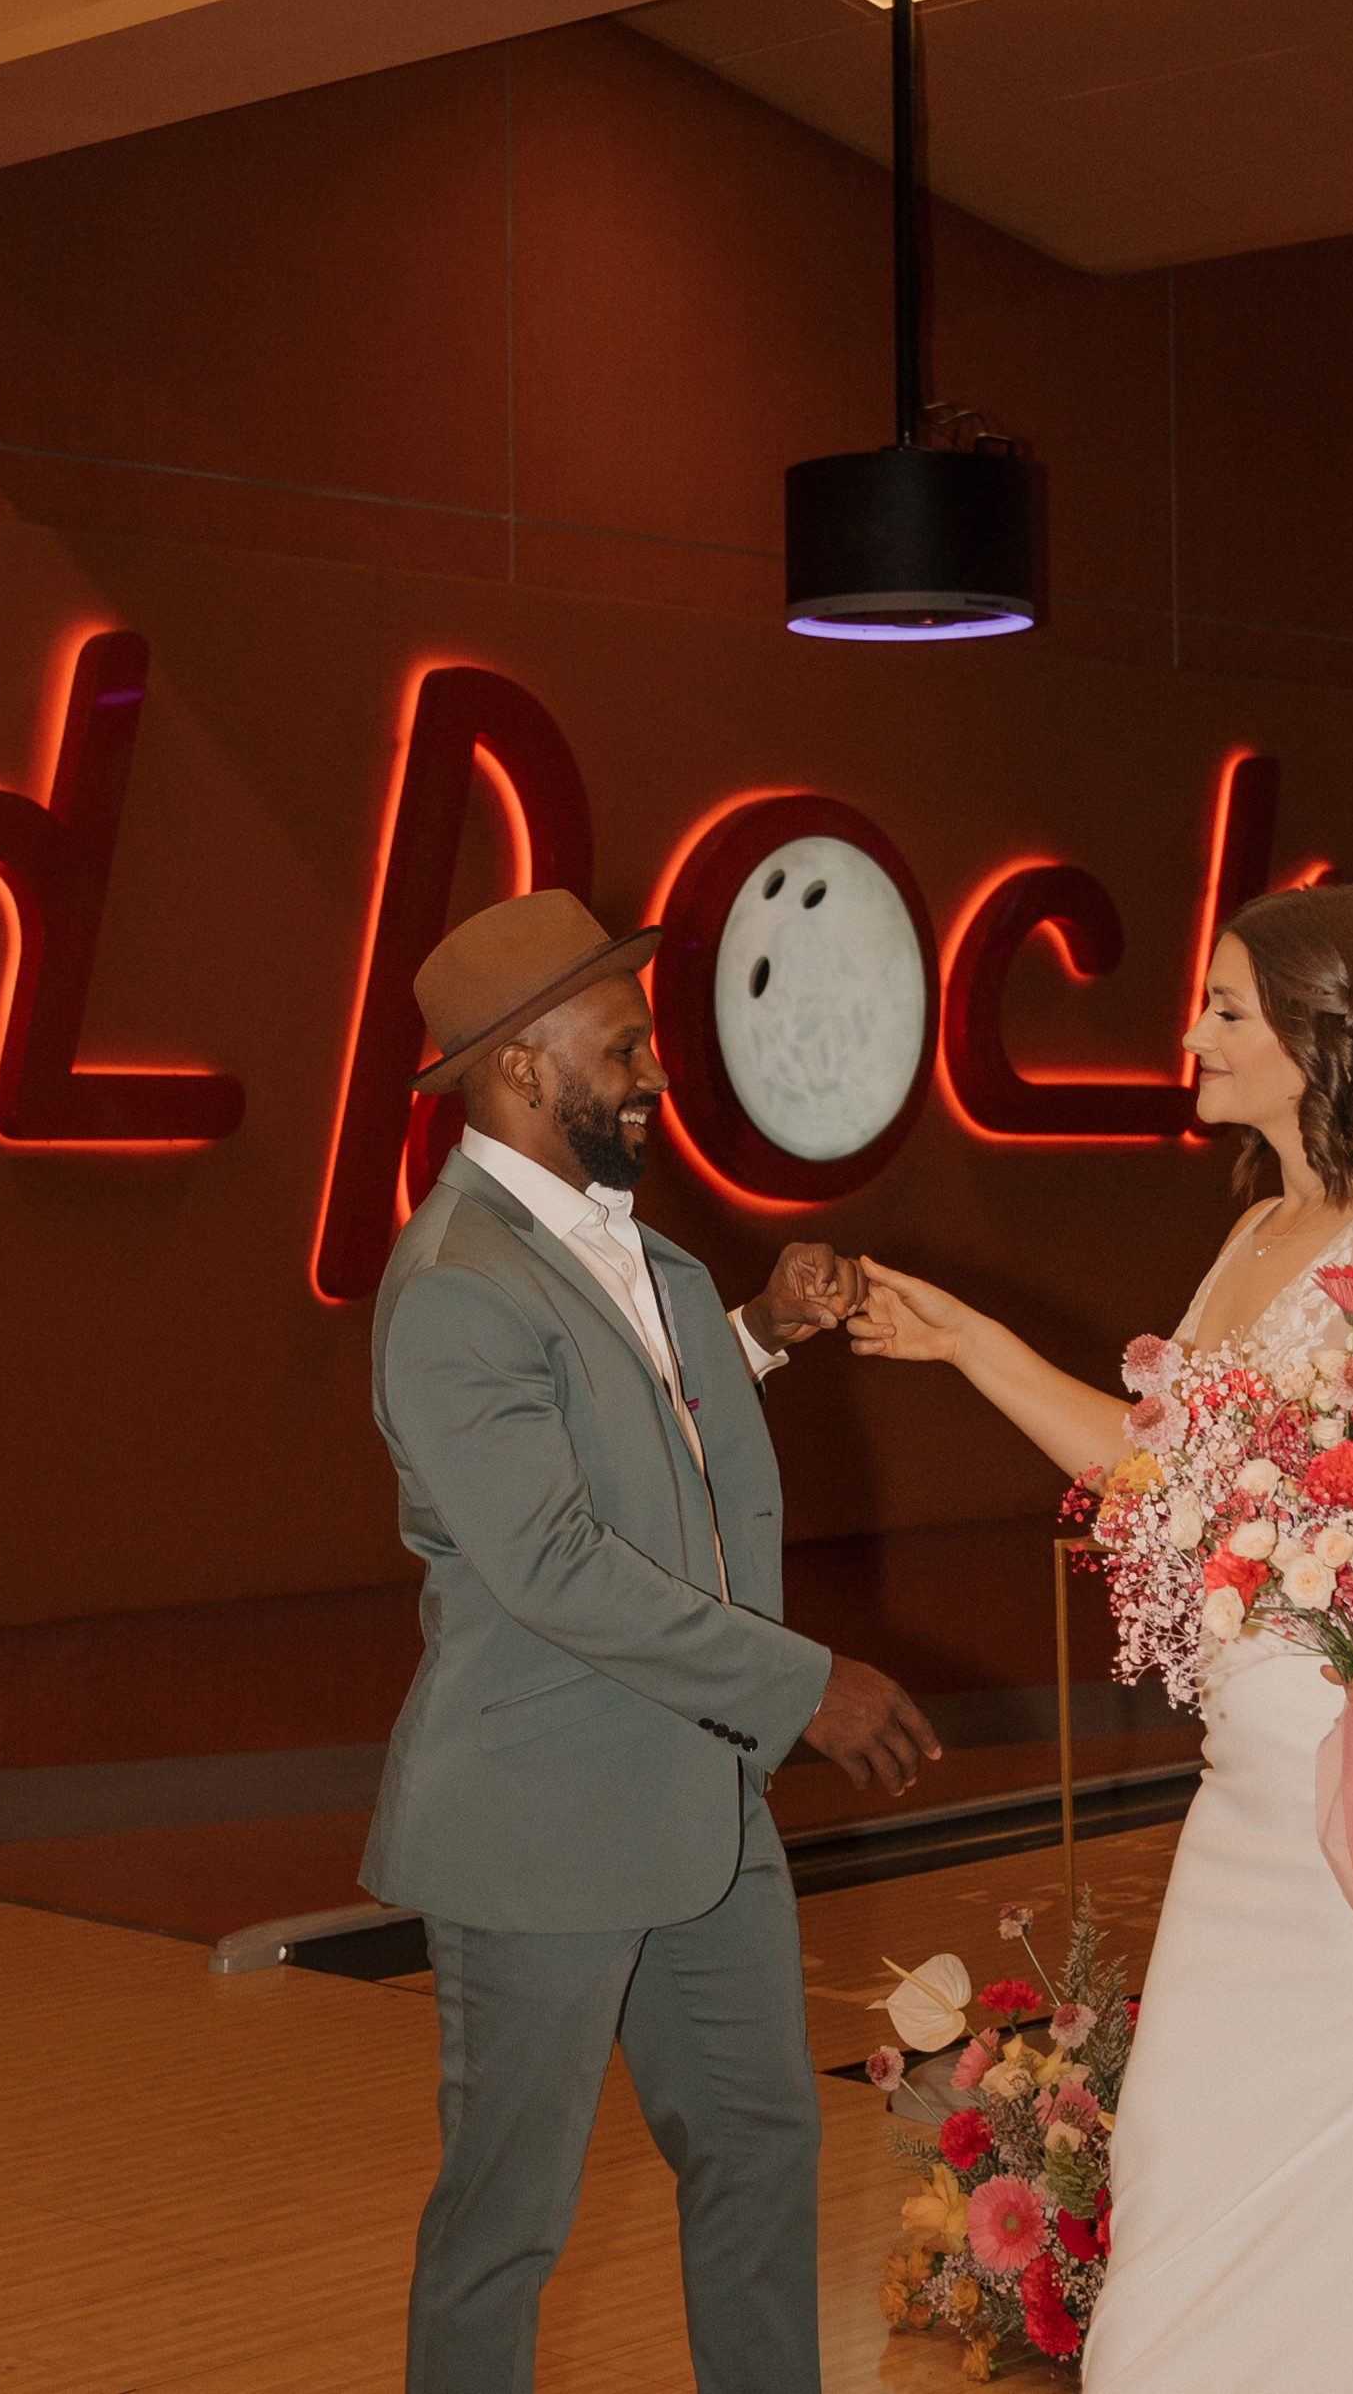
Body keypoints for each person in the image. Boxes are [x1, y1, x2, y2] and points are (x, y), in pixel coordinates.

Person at [844, 882, 1353, 2390]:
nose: (1191, 1031)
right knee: (1185, 2187)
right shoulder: (1257, 1230)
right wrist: (965, 1346)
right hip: (1255, 1811)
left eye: (1227, 1008)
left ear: (1325, 1041)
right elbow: (1158, 1474)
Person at [360, 888, 943, 2394]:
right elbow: (554, 1557)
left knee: (758, 2155)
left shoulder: (642, 1254)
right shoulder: (452, 1290)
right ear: (522, 1069)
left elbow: (642, 1432)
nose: (656, 1074)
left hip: (701, 1808)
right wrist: (806, 1683)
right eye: (623, 1047)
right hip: (540, 1822)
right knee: (509, 2223)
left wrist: (758, 1327)